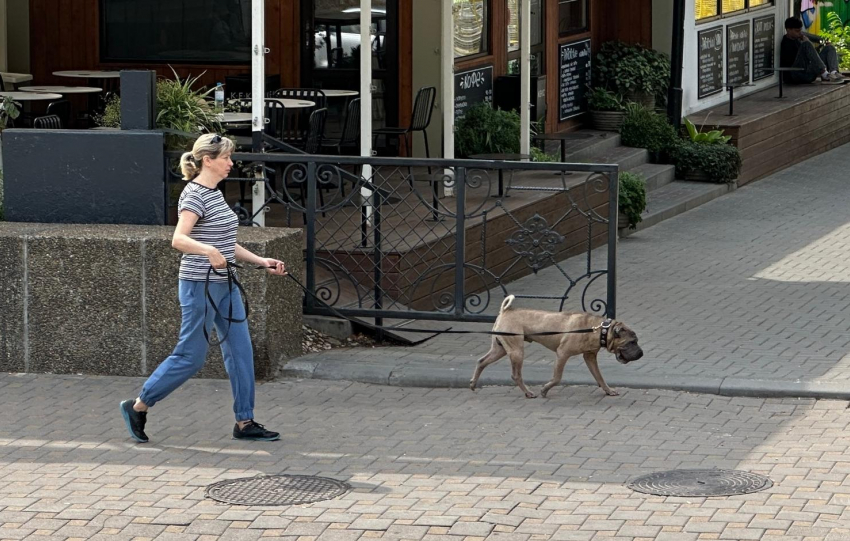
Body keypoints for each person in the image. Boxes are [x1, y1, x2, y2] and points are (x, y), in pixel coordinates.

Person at [120, 133, 287, 443]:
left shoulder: (214, 193)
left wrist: (261, 260)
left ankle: (245, 422)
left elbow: (226, 243)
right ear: (208, 160)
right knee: (191, 357)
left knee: (241, 352)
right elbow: (178, 239)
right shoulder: (194, 194)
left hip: (225, 285)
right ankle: (139, 405)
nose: (230, 163)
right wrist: (208, 252)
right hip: (199, 285)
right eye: (225, 157)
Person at [780, 16, 845, 84]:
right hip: (796, 74)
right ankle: (825, 73)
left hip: (808, 71)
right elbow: (803, 60)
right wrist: (807, 43)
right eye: (797, 31)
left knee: (829, 48)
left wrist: (824, 42)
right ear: (788, 30)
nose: (799, 33)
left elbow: (816, 39)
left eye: (800, 30)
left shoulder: (798, 36)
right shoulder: (786, 43)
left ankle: (834, 72)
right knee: (806, 44)